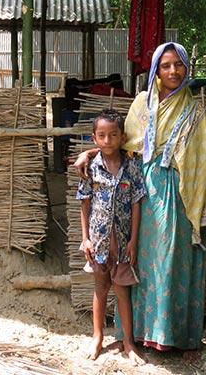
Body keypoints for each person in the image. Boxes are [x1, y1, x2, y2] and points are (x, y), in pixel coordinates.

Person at [74, 42, 206, 356]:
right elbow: (119, 142)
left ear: (186, 68)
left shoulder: (194, 110)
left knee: (170, 261)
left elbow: (205, 160)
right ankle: (135, 335)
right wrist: (89, 152)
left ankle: (173, 336)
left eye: (178, 65)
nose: (173, 71)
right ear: (156, 69)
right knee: (138, 261)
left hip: (179, 194)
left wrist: (192, 194)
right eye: (165, 65)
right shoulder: (142, 103)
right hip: (139, 194)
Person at [76, 108, 146, 364]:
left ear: (122, 136)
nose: (107, 141)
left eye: (113, 135)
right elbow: (84, 202)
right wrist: (85, 238)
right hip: (98, 241)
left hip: (123, 242)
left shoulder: (132, 168)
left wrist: (133, 240)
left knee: (122, 292)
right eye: (102, 136)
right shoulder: (90, 169)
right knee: (100, 289)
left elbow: (137, 203)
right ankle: (97, 337)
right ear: (94, 138)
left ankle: (128, 342)